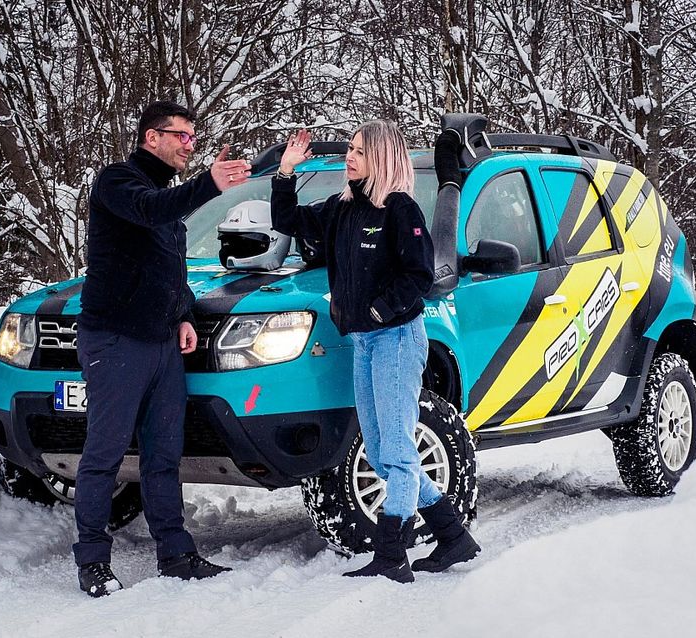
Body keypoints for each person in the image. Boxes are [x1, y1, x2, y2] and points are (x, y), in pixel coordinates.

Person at [271, 121, 480, 583]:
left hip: (397, 340)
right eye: (349, 149)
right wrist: (285, 173)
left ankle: (391, 555)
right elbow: (288, 221)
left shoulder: (400, 210)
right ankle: (452, 536)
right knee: (384, 454)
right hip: (363, 343)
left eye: (360, 152)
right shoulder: (342, 209)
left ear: (382, 158)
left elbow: (418, 278)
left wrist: (378, 312)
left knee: (399, 451)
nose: (350, 157)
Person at [74, 101, 251, 597]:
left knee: (163, 453)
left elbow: (168, 269)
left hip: (161, 343)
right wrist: (210, 185)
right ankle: (92, 561)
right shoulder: (119, 183)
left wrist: (184, 315)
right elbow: (151, 212)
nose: (189, 147)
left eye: (194, 138)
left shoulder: (168, 200)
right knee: (105, 453)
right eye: (183, 137)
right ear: (152, 138)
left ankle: (174, 553)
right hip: (115, 341)